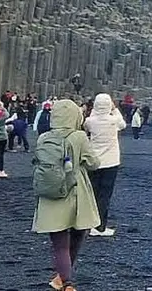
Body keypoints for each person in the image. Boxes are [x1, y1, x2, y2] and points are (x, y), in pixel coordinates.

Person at [32, 99, 100, 291]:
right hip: (74, 191)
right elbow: (94, 163)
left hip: (49, 193)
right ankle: (66, 283)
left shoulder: (43, 137)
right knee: (78, 232)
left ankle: (62, 278)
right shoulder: (78, 136)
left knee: (59, 242)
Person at [84, 93, 126, 237]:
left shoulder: (90, 121)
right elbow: (123, 123)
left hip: (94, 161)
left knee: (93, 193)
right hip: (111, 161)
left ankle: (90, 224)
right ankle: (100, 227)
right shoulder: (114, 121)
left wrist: (97, 110)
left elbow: (87, 125)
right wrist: (114, 109)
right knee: (105, 195)